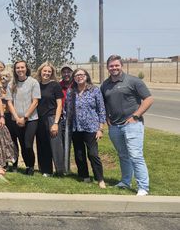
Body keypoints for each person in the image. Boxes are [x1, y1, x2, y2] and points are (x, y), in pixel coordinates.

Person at [101, 54, 154, 196]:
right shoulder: (105, 84)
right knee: (123, 155)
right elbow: (104, 103)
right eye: (111, 66)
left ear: (121, 66)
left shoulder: (133, 81)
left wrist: (136, 116)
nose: (114, 68)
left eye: (116, 65)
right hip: (115, 126)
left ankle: (143, 186)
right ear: (107, 67)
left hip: (132, 125)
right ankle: (125, 181)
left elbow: (148, 99)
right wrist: (107, 119)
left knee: (136, 155)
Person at [65, 68, 106, 189]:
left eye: (82, 74)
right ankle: (84, 176)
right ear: (74, 78)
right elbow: (67, 108)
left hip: (91, 127)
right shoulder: (71, 91)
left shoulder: (94, 90)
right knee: (79, 154)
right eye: (77, 75)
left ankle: (100, 179)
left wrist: (100, 128)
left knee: (93, 154)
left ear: (86, 76)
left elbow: (101, 109)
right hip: (76, 128)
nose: (79, 77)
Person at [6, 60, 40, 175]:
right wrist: (17, 118)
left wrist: (24, 118)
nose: (20, 70)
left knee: (28, 144)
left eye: (22, 67)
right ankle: (27, 166)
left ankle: (31, 166)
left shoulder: (33, 82)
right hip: (16, 119)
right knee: (21, 144)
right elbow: (9, 103)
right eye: (17, 68)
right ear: (15, 70)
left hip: (31, 119)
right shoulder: (11, 84)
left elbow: (35, 102)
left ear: (26, 68)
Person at [35, 62, 65, 177]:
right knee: (43, 145)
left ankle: (60, 171)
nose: (46, 73)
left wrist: (56, 123)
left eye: (49, 71)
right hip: (40, 119)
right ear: (40, 71)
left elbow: (59, 105)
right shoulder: (36, 85)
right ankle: (46, 170)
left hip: (52, 118)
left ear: (52, 73)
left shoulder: (55, 85)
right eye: (45, 71)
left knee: (56, 146)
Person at [0, 61, 18, 170]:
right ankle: (4, 163)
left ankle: (15, 163)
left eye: (1, 67)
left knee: (13, 139)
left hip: (10, 113)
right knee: (1, 139)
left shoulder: (12, 82)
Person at [59, 64, 74, 173]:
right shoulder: (59, 85)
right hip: (63, 118)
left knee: (78, 146)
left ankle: (83, 171)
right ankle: (65, 169)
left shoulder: (76, 84)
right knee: (65, 144)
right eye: (64, 72)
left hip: (77, 119)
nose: (66, 74)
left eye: (68, 72)